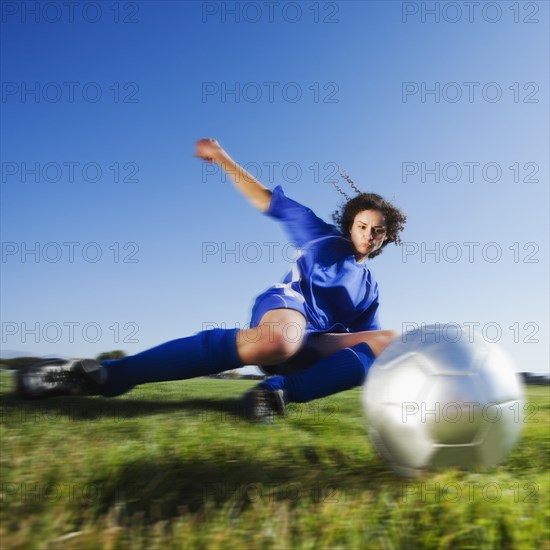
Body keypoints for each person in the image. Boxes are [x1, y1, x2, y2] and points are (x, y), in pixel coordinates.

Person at [16, 139, 407, 421]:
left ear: (386, 237)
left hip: (314, 347)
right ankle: (99, 375)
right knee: (281, 341)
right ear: (350, 224)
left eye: (377, 231)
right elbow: (265, 199)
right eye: (362, 225)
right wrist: (222, 158)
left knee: (389, 341)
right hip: (287, 317)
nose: (368, 234)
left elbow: (363, 352)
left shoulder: (369, 289)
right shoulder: (321, 235)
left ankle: (274, 395)